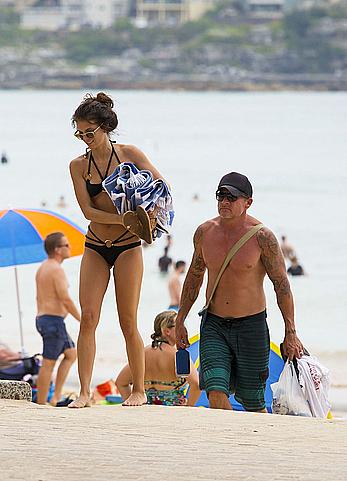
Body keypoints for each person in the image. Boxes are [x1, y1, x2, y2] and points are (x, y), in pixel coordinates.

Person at [175, 172, 304, 412]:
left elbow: (281, 284)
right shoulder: (204, 232)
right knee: (214, 389)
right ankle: (225, 444)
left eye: (231, 197)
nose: (224, 201)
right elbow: (194, 276)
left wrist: (291, 332)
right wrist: (180, 318)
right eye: (220, 195)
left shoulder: (263, 238)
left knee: (253, 402)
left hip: (251, 327)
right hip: (214, 324)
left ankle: (252, 444)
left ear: (248, 202)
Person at [69, 92, 164, 407]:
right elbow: (88, 212)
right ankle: (84, 392)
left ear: (105, 127)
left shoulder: (129, 154)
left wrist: (148, 213)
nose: (85, 139)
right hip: (96, 244)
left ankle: (139, 389)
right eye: (80, 133)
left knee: (128, 320)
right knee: (88, 317)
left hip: (128, 247)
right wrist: (123, 218)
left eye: (90, 132)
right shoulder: (78, 165)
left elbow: (160, 185)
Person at [116, 310, 200, 406]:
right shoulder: (177, 355)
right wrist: (189, 407)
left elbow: (121, 382)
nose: (183, 329)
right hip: (174, 412)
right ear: (167, 331)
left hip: (146, 409)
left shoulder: (142, 354)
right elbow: (196, 384)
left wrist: (132, 402)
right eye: (179, 325)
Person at [35, 232, 80, 406]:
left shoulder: (44, 267)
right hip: (52, 321)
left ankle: (55, 397)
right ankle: (41, 403)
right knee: (48, 363)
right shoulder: (55, 269)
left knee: (71, 353)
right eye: (66, 245)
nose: (70, 248)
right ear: (57, 250)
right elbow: (65, 298)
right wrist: (82, 319)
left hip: (47, 319)